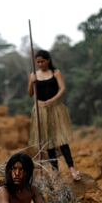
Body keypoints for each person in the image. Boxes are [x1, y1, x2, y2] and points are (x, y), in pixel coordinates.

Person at [28, 50, 81, 181]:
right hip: (41, 110)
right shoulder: (34, 75)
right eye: (38, 62)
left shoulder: (55, 72)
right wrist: (31, 82)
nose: (40, 64)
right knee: (49, 141)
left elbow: (62, 88)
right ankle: (55, 171)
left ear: (48, 60)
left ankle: (72, 168)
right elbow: (30, 94)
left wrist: (52, 100)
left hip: (56, 108)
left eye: (42, 61)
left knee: (61, 140)